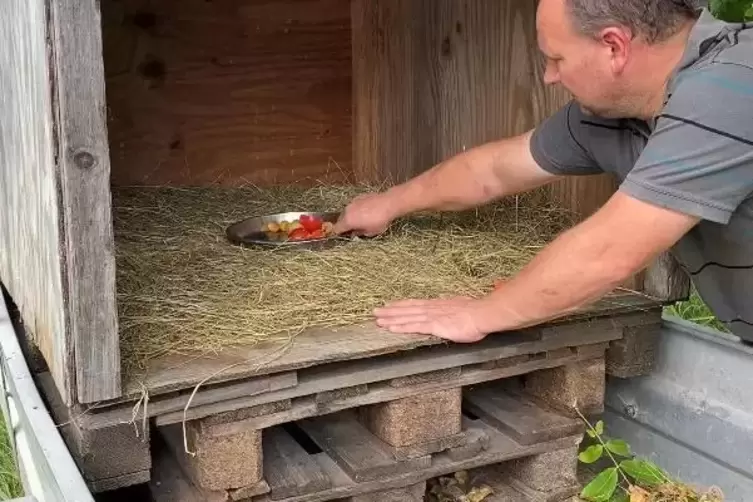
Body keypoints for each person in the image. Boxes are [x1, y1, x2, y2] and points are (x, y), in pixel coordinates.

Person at [333, 0, 753, 344]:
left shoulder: (729, 90)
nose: (550, 77)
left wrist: (483, 314)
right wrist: (385, 205)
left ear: (614, 47)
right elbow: (492, 171)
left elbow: (608, 252)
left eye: (556, 58)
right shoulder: (613, 115)